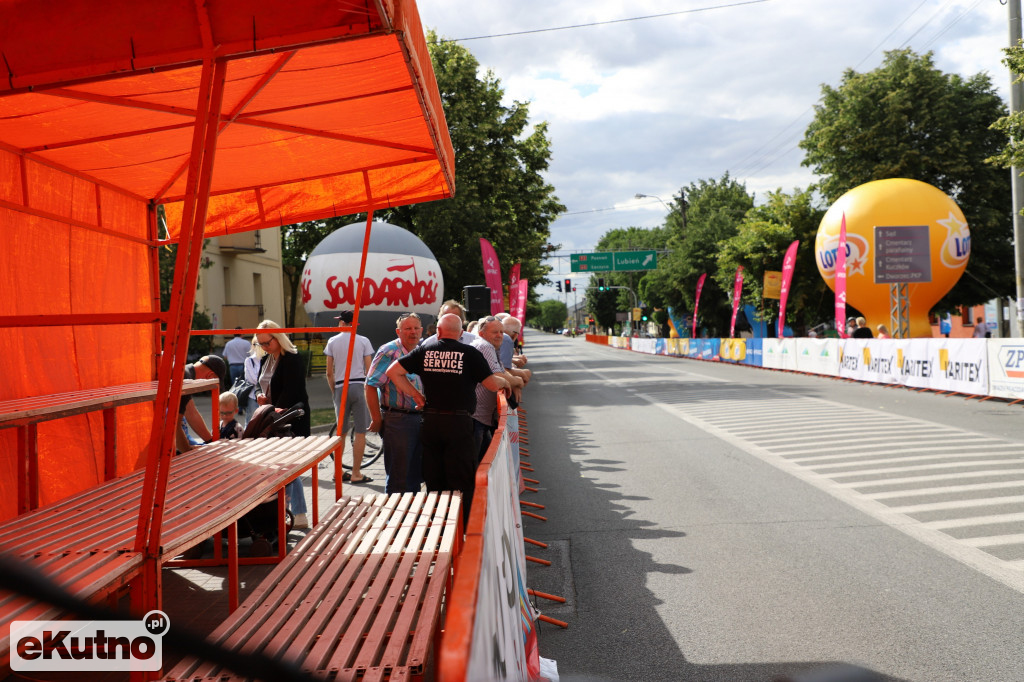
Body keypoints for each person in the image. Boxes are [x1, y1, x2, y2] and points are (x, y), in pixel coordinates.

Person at [386, 313, 507, 524]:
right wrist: (508, 380)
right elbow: (492, 385)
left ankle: (439, 526)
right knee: (462, 480)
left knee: (434, 478)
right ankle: (464, 529)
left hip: (431, 422)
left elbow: (393, 372)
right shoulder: (469, 353)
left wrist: (416, 395)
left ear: (438, 332)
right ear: (461, 333)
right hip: (459, 424)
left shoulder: (425, 350)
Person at [253, 320, 311, 529]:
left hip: (287, 419)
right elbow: (262, 385)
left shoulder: (291, 358)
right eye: (260, 344)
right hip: (271, 418)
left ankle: (299, 513)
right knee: (280, 467)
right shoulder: (266, 359)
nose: (264, 347)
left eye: (267, 343)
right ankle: (290, 513)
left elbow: (293, 390)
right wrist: (261, 397)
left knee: (286, 467)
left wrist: (273, 408)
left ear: (278, 338)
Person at [365, 313, 425, 494]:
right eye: (408, 328)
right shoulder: (389, 351)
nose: (413, 332)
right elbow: (370, 385)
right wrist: (376, 419)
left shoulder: (423, 348)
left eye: (416, 328)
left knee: (416, 473)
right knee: (400, 477)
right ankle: (395, 518)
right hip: (398, 419)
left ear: (421, 330)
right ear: (398, 332)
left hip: (420, 418)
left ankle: (413, 515)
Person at [324, 311, 375, 484]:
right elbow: (369, 370)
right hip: (359, 385)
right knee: (360, 431)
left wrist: (334, 392)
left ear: (344, 323)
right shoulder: (363, 341)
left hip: (340, 386)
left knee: (341, 433)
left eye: (340, 322)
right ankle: (356, 473)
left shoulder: (332, 341)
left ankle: (337, 472)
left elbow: (329, 373)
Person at [472, 316, 524, 459]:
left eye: (501, 332)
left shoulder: (491, 347)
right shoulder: (485, 346)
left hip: (480, 417)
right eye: (495, 332)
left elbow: (502, 374)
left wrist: (513, 383)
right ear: (482, 334)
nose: (499, 336)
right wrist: (517, 382)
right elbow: (499, 376)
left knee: (486, 460)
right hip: (476, 417)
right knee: (476, 465)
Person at [176, 355, 227, 453]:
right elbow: (173, 427)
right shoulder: (185, 379)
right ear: (210, 376)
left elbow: (192, 413)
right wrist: (188, 452)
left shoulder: (185, 372)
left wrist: (211, 442)